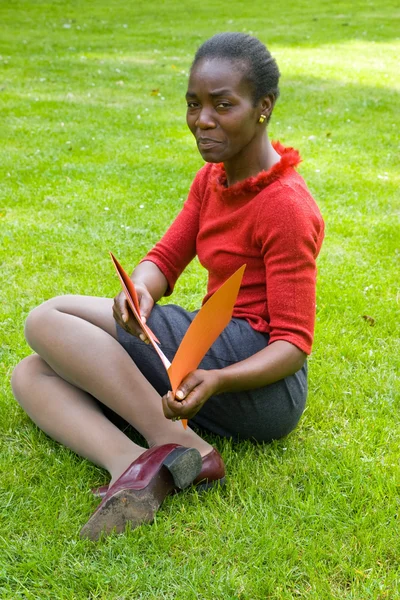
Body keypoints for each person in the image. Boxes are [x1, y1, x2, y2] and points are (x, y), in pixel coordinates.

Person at [11, 32, 324, 540]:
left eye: (223, 105)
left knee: (47, 319)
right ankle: (132, 464)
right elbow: (164, 258)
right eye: (193, 104)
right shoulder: (212, 181)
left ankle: (186, 448)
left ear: (263, 107)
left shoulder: (286, 206)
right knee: (31, 375)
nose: (202, 120)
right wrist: (140, 291)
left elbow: (293, 343)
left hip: (261, 383)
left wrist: (217, 380)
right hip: (207, 354)